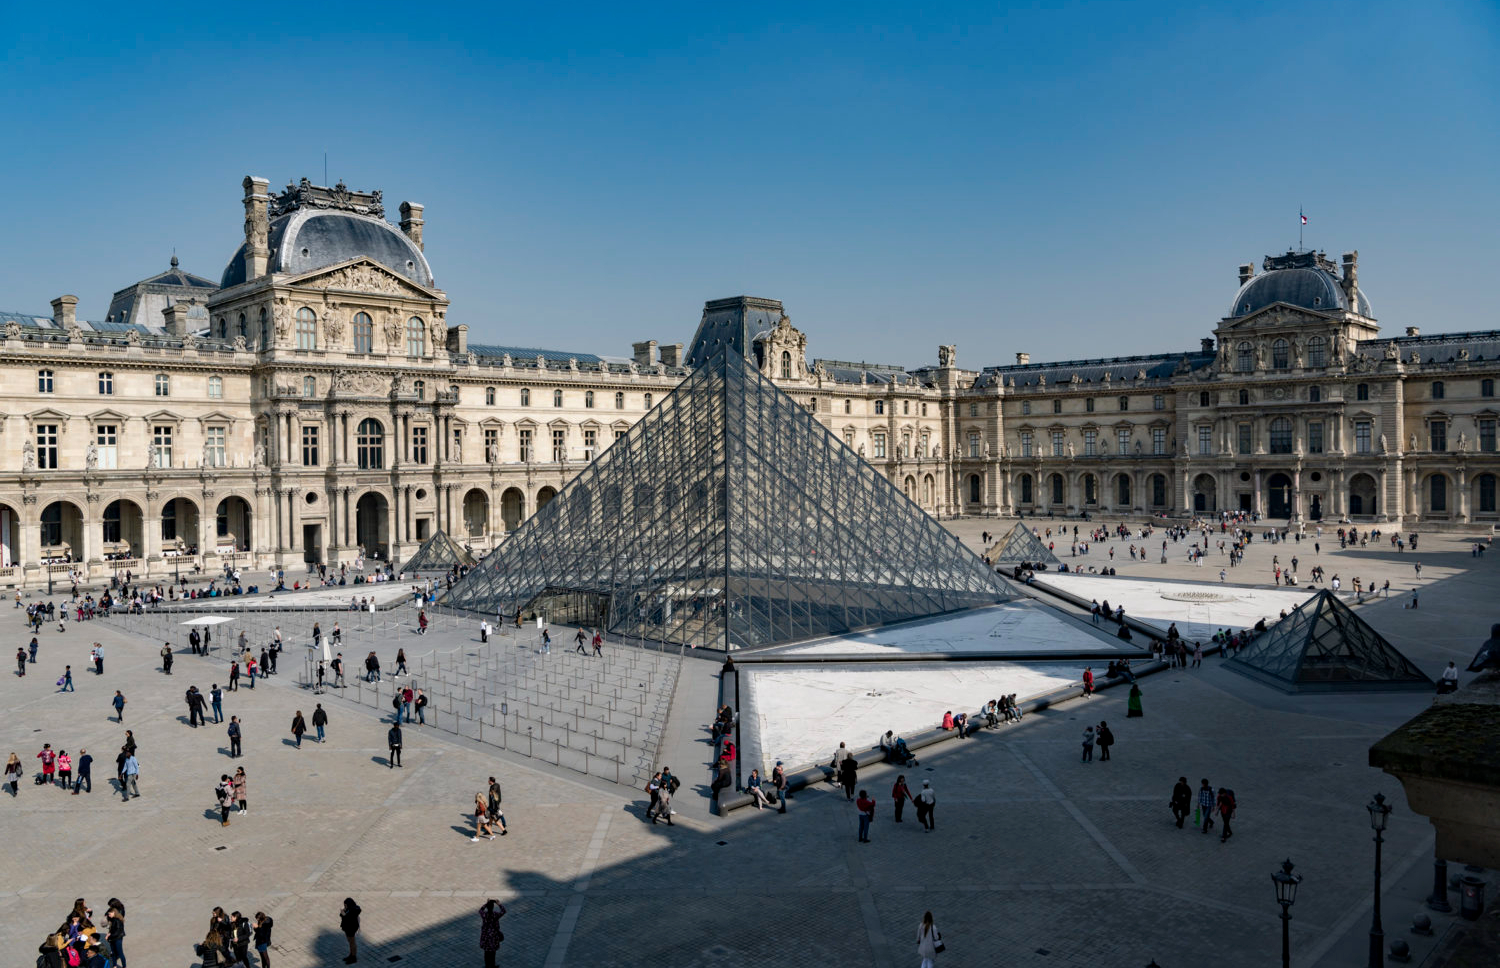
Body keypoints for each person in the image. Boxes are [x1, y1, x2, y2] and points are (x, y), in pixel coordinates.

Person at [478, 900, 506, 968]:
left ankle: (487, 965)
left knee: (486, 952)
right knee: (493, 952)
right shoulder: (495, 914)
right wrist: (499, 904)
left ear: (487, 907)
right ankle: (493, 965)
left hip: (485, 936)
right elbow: (503, 911)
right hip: (494, 935)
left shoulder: (484, 915)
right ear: (493, 907)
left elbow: (480, 910)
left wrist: (486, 904)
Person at [339, 898, 361, 964]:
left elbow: (350, 919)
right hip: (347, 927)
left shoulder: (354, 910)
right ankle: (351, 955)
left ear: (349, 904)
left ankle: (353, 957)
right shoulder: (348, 909)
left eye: (345, 905)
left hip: (351, 928)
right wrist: (343, 911)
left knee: (352, 942)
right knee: (350, 941)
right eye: (344, 905)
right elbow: (342, 916)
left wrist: (344, 914)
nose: (344, 906)